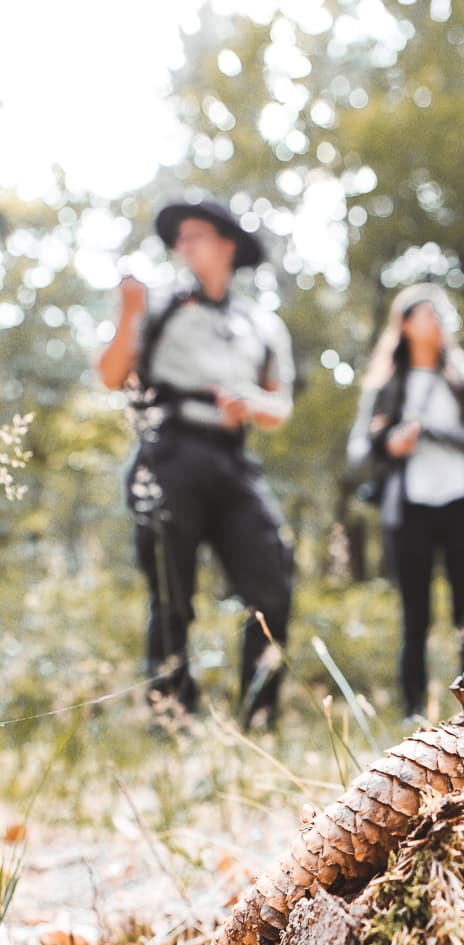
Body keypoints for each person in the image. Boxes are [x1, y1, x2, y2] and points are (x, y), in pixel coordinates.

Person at [97, 197, 294, 730]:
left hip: (233, 457)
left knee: (271, 586)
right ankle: (173, 714)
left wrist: (251, 405)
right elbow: (111, 375)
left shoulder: (260, 323)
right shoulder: (157, 305)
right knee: (171, 593)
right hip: (170, 452)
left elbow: (280, 406)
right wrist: (129, 312)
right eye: (178, 239)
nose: (183, 246)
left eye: (195, 235)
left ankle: (258, 712)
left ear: (227, 244)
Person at [347, 283, 464, 719]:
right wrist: (390, 444)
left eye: (440, 313)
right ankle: (413, 713)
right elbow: (357, 451)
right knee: (414, 617)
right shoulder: (386, 385)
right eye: (425, 313)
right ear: (404, 324)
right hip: (409, 510)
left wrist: (436, 432)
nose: (435, 320)